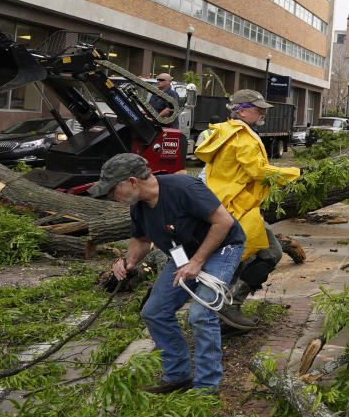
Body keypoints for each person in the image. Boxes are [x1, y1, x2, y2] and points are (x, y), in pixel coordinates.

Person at [92, 153, 245, 393]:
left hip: (222, 248)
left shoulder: (183, 188)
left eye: (113, 189)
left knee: (201, 314)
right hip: (183, 255)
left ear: (133, 181)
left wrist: (197, 261)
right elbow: (141, 240)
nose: (111, 196)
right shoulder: (139, 207)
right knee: (154, 312)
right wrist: (127, 261)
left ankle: (207, 388)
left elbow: (223, 222)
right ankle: (178, 375)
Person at [194, 89, 300, 330]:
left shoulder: (223, 131)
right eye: (257, 108)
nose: (263, 112)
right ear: (240, 109)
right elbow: (257, 172)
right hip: (236, 206)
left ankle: (219, 307)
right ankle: (227, 306)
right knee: (269, 253)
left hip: (222, 202)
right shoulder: (242, 136)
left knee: (239, 255)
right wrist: (296, 173)